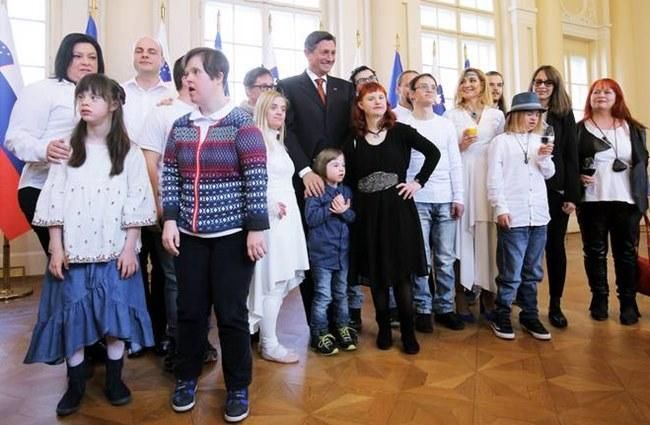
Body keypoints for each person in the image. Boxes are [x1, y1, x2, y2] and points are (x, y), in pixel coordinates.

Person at [24, 73, 156, 416]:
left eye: (94, 97)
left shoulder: (129, 153)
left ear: (112, 104)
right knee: (73, 320)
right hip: (74, 254)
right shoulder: (67, 149)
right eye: (81, 97)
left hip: (114, 252)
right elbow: (54, 199)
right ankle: (76, 384)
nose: (85, 102)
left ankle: (114, 379)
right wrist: (56, 247)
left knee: (114, 318)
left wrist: (130, 247)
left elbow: (137, 201)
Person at [162, 47, 268, 422]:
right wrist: (170, 220)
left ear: (218, 76)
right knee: (189, 312)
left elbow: (256, 179)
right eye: (185, 73)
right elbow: (169, 175)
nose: (187, 79)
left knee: (231, 314)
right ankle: (186, 378)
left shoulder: (242, 125)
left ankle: (237, 386)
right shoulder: (180, 126)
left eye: (195, 72)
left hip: (233, 238)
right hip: (188, 237)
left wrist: (256, 228)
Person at [344, 82, 440, 355]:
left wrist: (418, 182)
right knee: (377, 274)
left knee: (401, 276)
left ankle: (408, 332)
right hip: (367, 215)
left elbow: (433, 153)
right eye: (371, 98)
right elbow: (345, 175)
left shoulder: (401, 132)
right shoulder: (352, 138)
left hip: (398, 213)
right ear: (360, 105)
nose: (377, 102)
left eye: (381, 97)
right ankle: (384, 328)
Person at [138, 57, 218, 372]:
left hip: (208, 212)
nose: (196, 77)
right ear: (184, 77)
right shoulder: (163, 113)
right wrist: (161, 205)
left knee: (205, 279)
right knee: (175, 279)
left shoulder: (214, 114)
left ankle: (201, 339)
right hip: (172, 209)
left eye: (201, 72)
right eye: (192, 72)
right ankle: (179, 342)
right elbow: (149, 161)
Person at [277, 31, 355, 323]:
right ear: (308, 52)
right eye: (324, 52)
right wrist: (306, 171)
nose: (330, 58)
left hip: (339, 183)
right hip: (305, 182)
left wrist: (337, 170)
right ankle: (317, 322)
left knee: (340, 249)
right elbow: (287, 132)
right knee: (312, 250)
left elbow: (350, 132)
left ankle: (341, 319)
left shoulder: (345, 88)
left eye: (333, 53)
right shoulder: (288, 86)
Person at [6, 32, 104, 253]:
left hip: (91, 192)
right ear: (64, 58)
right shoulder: (41, 90)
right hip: (43, 188)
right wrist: (45, 149)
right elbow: (16, 137)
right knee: (64, 258)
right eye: (77, 56)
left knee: (88, 259)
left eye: (92, 57)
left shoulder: (106, 95)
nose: (86, 62)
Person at [577, 78, 648, 325]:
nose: (601, 95)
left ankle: (628, 302)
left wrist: (644, 196)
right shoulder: (579, 128)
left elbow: (642, 163)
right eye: (596, 92)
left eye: (608, 92)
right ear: (590, 98)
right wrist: (578, 176)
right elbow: (570, 162)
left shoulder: (633, 128)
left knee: (626, 253)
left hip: (627, 200)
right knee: (594, 252)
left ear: (617, 97)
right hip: (592, 199)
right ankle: (599, 299)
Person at [122, 35, 176, 357]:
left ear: (162, 59)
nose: (145, 55)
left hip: (161, 185)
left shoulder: (174, 97)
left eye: (152, 51)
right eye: (139, 50)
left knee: (165, 265)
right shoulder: (119, 93)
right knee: (133, 265)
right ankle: (135, 334)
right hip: (124, 187)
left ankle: (161, 332)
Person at [487, 91, 555, 341]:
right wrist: (500, 208)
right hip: (513, 214)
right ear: (515, 115)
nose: (534, 118)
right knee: (511, 270)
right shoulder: (501, 142)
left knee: (532, 270)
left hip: (539, 215)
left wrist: (544, 158)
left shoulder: (539, 141)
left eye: (536, 114)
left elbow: (549, 173)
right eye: (528, 113)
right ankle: (501, 313)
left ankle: (529, 314)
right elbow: (494, 178)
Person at [247, 90, 309, 363]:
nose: (279, 113)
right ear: (262, 108)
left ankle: (268, 338)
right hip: (271, 218)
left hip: (287, 217)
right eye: (273, 107)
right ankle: (269, 344)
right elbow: (252, 178)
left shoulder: (277, 141)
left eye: (283, 109)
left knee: (280, 280)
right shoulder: (257, 140)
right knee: (273, 279)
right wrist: (269, 204)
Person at [403, 73, 465, 333]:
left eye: (433, 87)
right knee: (421, 258)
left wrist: (458, 196)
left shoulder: (446, 125)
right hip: (417, 199)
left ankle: (445, 307)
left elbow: (455, 163)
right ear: (411, 94)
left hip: (445, 198)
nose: (429, 91)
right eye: (423, 87)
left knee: (445, 258)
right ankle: (423, 309)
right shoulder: (403, 124)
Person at [444, 68, 505, 321]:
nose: (467, 84)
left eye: (473, 80)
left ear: (482, 85)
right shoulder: (450, 115)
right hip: (462, 177)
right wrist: (460, 146)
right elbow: (445, 152)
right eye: (463, 81)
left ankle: (488, 296)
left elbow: (503, 150)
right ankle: (461, 295)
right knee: (461, 236)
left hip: (488, 178)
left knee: (489, 238)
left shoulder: (496, 115)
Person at [529, 65, 580, 328]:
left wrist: (572, 194)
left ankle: (555, 304)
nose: (542, 86)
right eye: (538, 81)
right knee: (527, 248)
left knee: (555, 247)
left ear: (555, 86)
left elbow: (571, 155)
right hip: (526, 187)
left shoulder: (564, 114)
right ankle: (526, 303)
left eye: (547, 83)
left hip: (556, 190)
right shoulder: (523, 110)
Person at [306, 148, 357, 355]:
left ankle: (343, 327)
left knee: (341, 294)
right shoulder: (316, 191)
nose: (341, 169)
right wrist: (330, 209)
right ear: (322, 167)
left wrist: (344, 212)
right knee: (323, 295)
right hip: (322, 256)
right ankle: (319, 333)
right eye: (335, 165)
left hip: (342, 255)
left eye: (343, 165)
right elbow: (311, 219)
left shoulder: (347, 191)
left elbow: (352, 217)